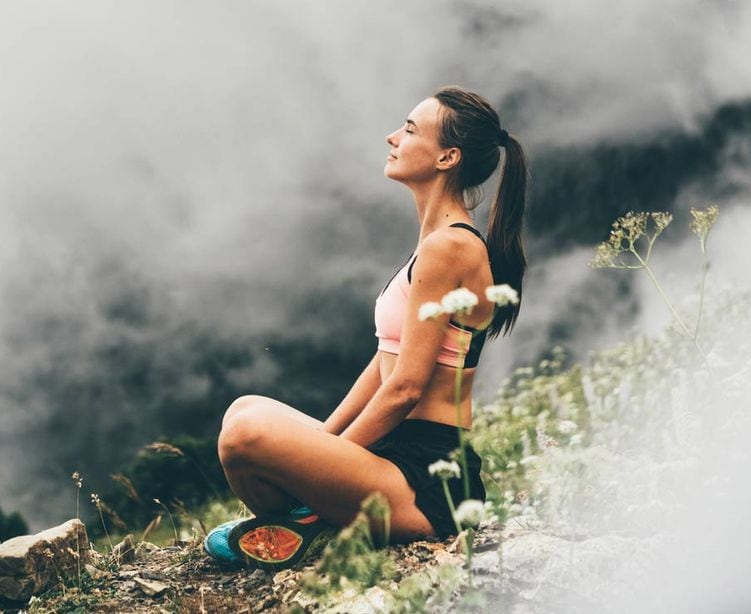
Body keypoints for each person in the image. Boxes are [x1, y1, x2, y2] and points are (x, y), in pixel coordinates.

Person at [204, 85, 528, 570]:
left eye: (411, 129)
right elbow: (384, 365)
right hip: (392, 455)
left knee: (245, 435)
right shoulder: (435, 243)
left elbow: (406, 389)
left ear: (447, 157)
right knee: (245, 409)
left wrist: (320, 465)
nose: (393, 136)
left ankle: (308, 522)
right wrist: (324, 452)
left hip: (427, 479)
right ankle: (312, 523)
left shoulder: (451, 248)